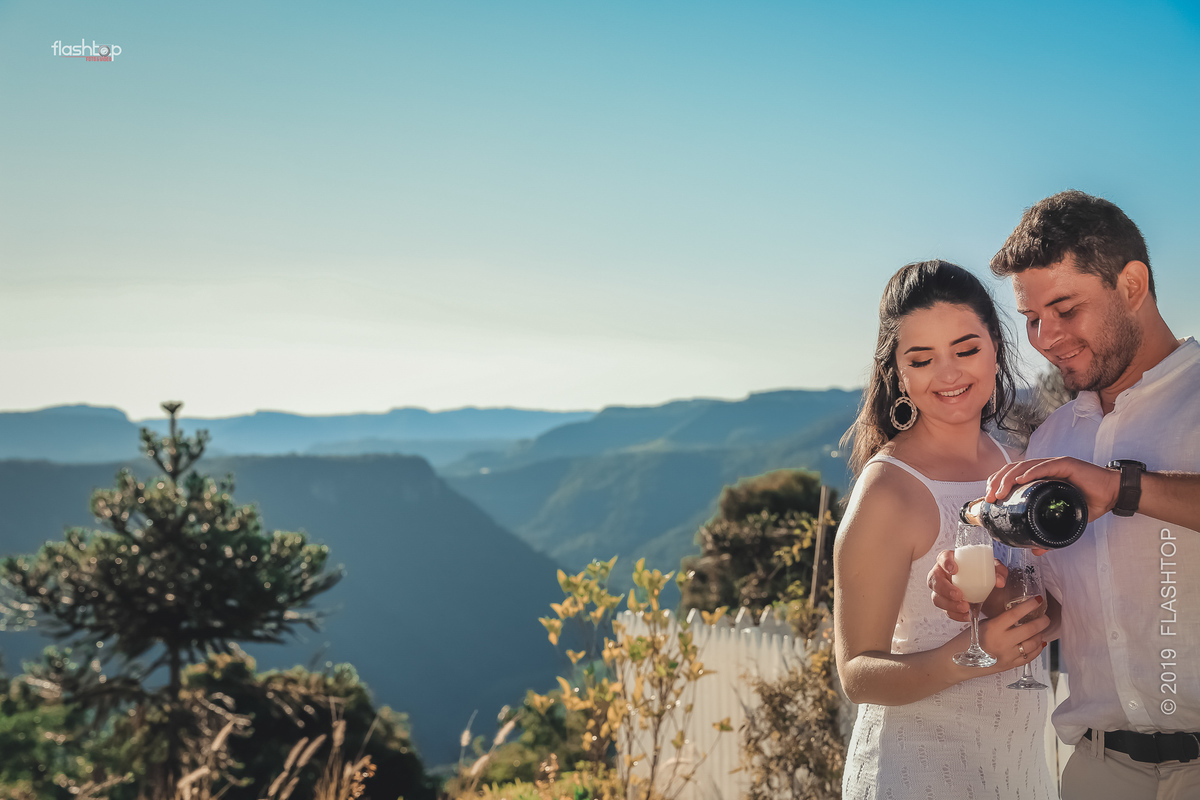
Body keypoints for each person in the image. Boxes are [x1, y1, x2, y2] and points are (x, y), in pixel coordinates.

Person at [927, 190, 1200, 799]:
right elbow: (1056, 605)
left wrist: (1123, 487)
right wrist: (993, 600)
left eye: (1065, 308)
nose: (1045, 337)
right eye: (1031, 319)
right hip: (1098, 773)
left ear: (1132, 285)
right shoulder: (1053, 435)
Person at [835, 260, 1058, 800]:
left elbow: (1053, 610)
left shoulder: (1023, 462)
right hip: (915, 772)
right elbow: (856, 673)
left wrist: (1015, 607)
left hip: (1019, 768)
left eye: (966, 349)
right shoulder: (889, 490)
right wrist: (965, 656)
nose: (950, 373)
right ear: (899, 372)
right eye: (922, 359)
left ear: (996, 348)